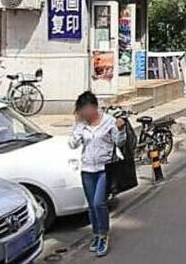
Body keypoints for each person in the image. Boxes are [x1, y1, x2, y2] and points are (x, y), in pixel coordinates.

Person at [69, 91, 125, 258]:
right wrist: (78, 127)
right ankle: (96, 233)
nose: (84, 113)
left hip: (104, 168)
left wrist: (120, 129)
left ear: (93, 107)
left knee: (99, 203)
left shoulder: (108, 121)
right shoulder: (81, 124)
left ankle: (103, 235)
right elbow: (72, 144)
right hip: (87, 169)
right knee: (91, 205)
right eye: (81, 110)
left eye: (85, 109)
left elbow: (119, 142)